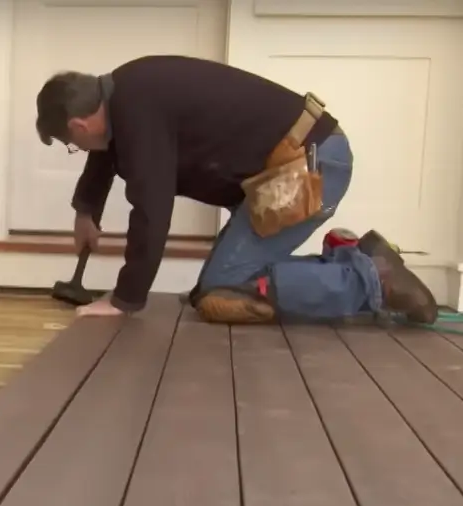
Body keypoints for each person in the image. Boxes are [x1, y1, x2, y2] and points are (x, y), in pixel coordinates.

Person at [32, 56, 439, 325]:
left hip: (308, 170)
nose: (79, 149)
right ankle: (359, 258)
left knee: (219, 294)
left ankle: (370, 278)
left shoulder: (136, 110)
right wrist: (86, 211)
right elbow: (108, 153)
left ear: (79, 126)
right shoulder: (128, 91)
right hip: (301, 163)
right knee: (213, 290)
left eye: (72, 143)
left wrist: (123, 300)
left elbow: (151, 210)